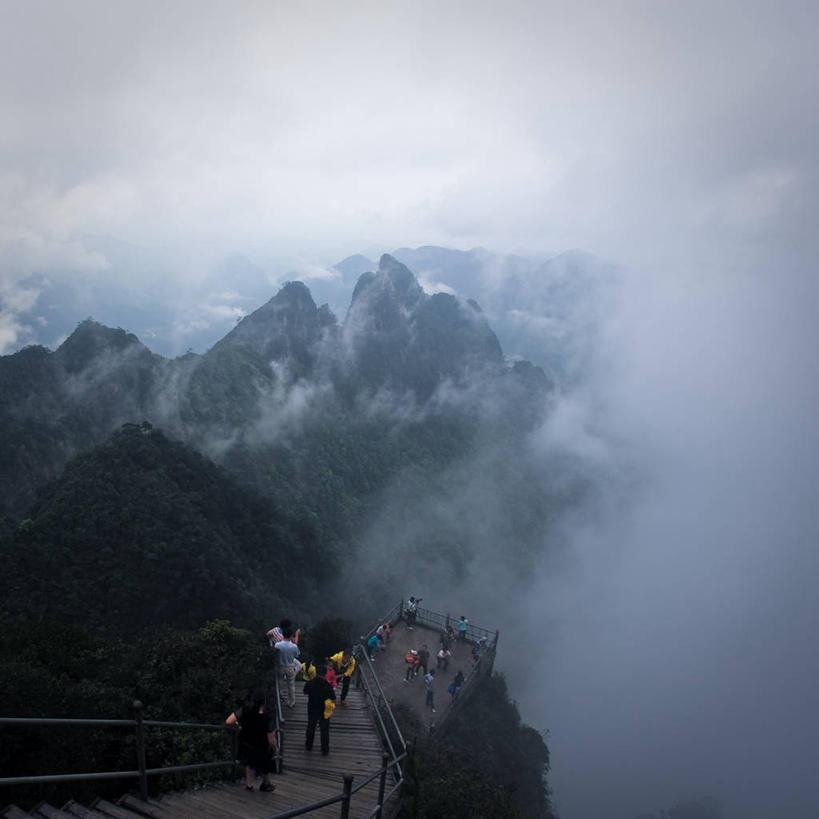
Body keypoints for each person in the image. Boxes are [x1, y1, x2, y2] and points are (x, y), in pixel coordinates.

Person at [225, 690, 278, 791]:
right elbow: (271, 738)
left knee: (249, 763)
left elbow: (229, 721)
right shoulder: (267, 716)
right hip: (262, 744)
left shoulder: (245, 709)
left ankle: (249, 785)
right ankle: (265, 784)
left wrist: (238, 726)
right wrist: (276, 748)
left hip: (247, 742)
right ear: (264, 702)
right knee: (266, 760)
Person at [303, 664, 336, 755]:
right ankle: (325, 749)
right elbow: (333, 697)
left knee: (311, 726)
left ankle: (309, 745)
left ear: (316, 672)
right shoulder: (328, 686)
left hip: (312, 707)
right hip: (324, 709)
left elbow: (305, 691)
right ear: (325, 674)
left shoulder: (310, 683)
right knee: (324, 729)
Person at [273, 628, 301, 708]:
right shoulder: (293, 646)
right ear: (291, 636)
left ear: (283, 635)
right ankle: (291, 702)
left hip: (280, 666)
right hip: (290, 667)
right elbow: (297, 655)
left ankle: (280, 699)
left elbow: (275, 655)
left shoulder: (277, 645)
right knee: (291, 685)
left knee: (279, 683)